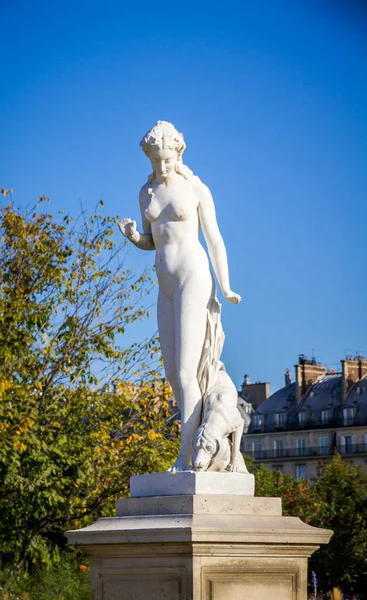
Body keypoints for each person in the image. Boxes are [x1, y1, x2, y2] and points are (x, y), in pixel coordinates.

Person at [119, 121, 241, 470]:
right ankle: (193, 445)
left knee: (188, 370)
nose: (162, 167)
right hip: (166, 285)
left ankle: (186, 456)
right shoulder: (146, 193)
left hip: (193, 276)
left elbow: (214, 239)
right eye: (156, 161)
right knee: (173, 373)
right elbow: (152, 240)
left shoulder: (196, 190)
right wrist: (133, 237)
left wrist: (227, 285)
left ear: (178, 153)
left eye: (167, 160)